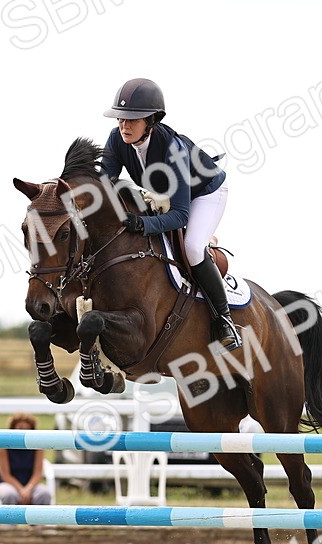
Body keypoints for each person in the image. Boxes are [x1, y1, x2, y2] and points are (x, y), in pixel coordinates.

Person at [98, 77, 241, 351]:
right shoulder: (117, 139)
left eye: (132, 119)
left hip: (206, 194)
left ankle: (224, 320)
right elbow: (102, 185)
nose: (124, 125)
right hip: (167, 193)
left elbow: (180, 216)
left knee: (192, 247)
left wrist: (142, 223)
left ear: (151, 120)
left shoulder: (172, 149)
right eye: (120, 118)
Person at [0, 413, 53, 505]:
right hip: (8, 484)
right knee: (9, 494)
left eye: (26, 430)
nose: (22, 433)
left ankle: (38, 519)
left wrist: (28, 489)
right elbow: (5, 475)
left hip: (31, 485)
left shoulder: (38, 448)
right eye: (19, 429)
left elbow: (38, 473)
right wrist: (21, 490)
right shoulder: (3, 447)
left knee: (44, 494)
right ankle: (9, 519)